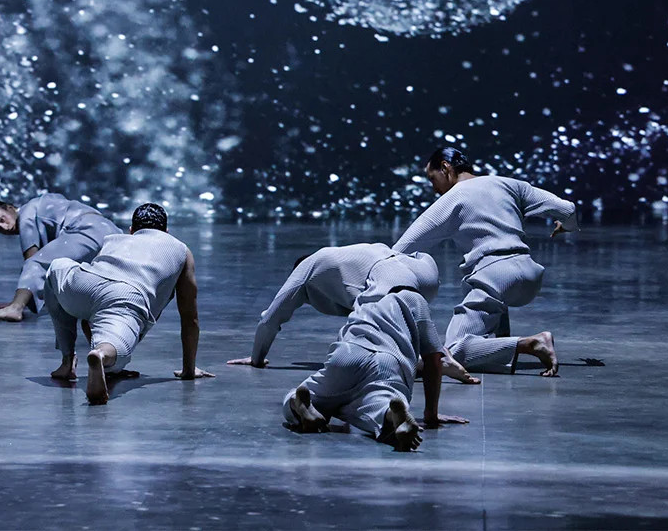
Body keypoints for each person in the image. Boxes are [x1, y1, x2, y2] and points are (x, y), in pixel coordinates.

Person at [392, 145, 578, 376]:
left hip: (495, 276)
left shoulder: (452, 198)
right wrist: (566, 227)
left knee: (453, 352)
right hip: (530, 275)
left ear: (445, 168)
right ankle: (500, 342)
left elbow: (402, 248)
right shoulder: (510, 184)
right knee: (486, 290)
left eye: (432, 179)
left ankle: (531, 343)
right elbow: (567, 209)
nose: (434, 188)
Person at [225, 243, 479, 382]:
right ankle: (435, 356)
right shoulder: (343, 258)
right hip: (423, 271)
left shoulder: (308, 267)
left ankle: (434, 361)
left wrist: (256, 358)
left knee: (362, 351)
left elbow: (270, 318)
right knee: (399, 320)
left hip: (388, 276)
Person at [42, 203, 213, 404]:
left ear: (132, 230)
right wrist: (189, 370)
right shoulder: (180, 250)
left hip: (84, 282)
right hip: (124, 295)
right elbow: (189, 317)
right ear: (166, 232)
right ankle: (102, 355)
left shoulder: (115, 240)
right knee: (114, 343)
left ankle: (67, 361)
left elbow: (91, 316)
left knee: (57, 267)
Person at [281, 286, 468, 451]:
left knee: (318, 395)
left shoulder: (365, 306)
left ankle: (298, 403)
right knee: (379, 403)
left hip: (347, 353)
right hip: (386, 360)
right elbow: (433, 359)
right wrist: (431, 415)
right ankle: (391, 414)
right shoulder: (414, 299)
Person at [0, 193, 124, 322]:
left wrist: (18, 302)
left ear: (10, 208)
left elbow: (32, 261)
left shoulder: (26, 215)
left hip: (86, 231)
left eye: (2, 220)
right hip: (111, 231)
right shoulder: (43, 202)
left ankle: (15, 309)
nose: (5, 228)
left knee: (36, 263)